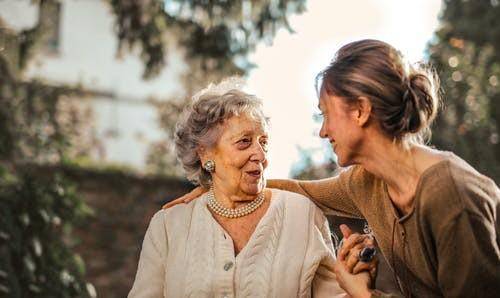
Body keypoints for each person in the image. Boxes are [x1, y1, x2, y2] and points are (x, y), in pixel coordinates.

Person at [165, 40, 500, 297]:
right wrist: (220, 183)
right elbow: (300, 190)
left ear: (360, 111)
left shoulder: (450, 196)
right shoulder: (367, 182)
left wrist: (362, 294)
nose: (323, 131)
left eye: (326, 113)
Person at [129, 80, 377, 298]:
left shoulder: (302, 214)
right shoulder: (168, 226)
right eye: (244, 142)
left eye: (264, 142)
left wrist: (357, 284)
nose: (259, 155)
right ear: (205, 154)